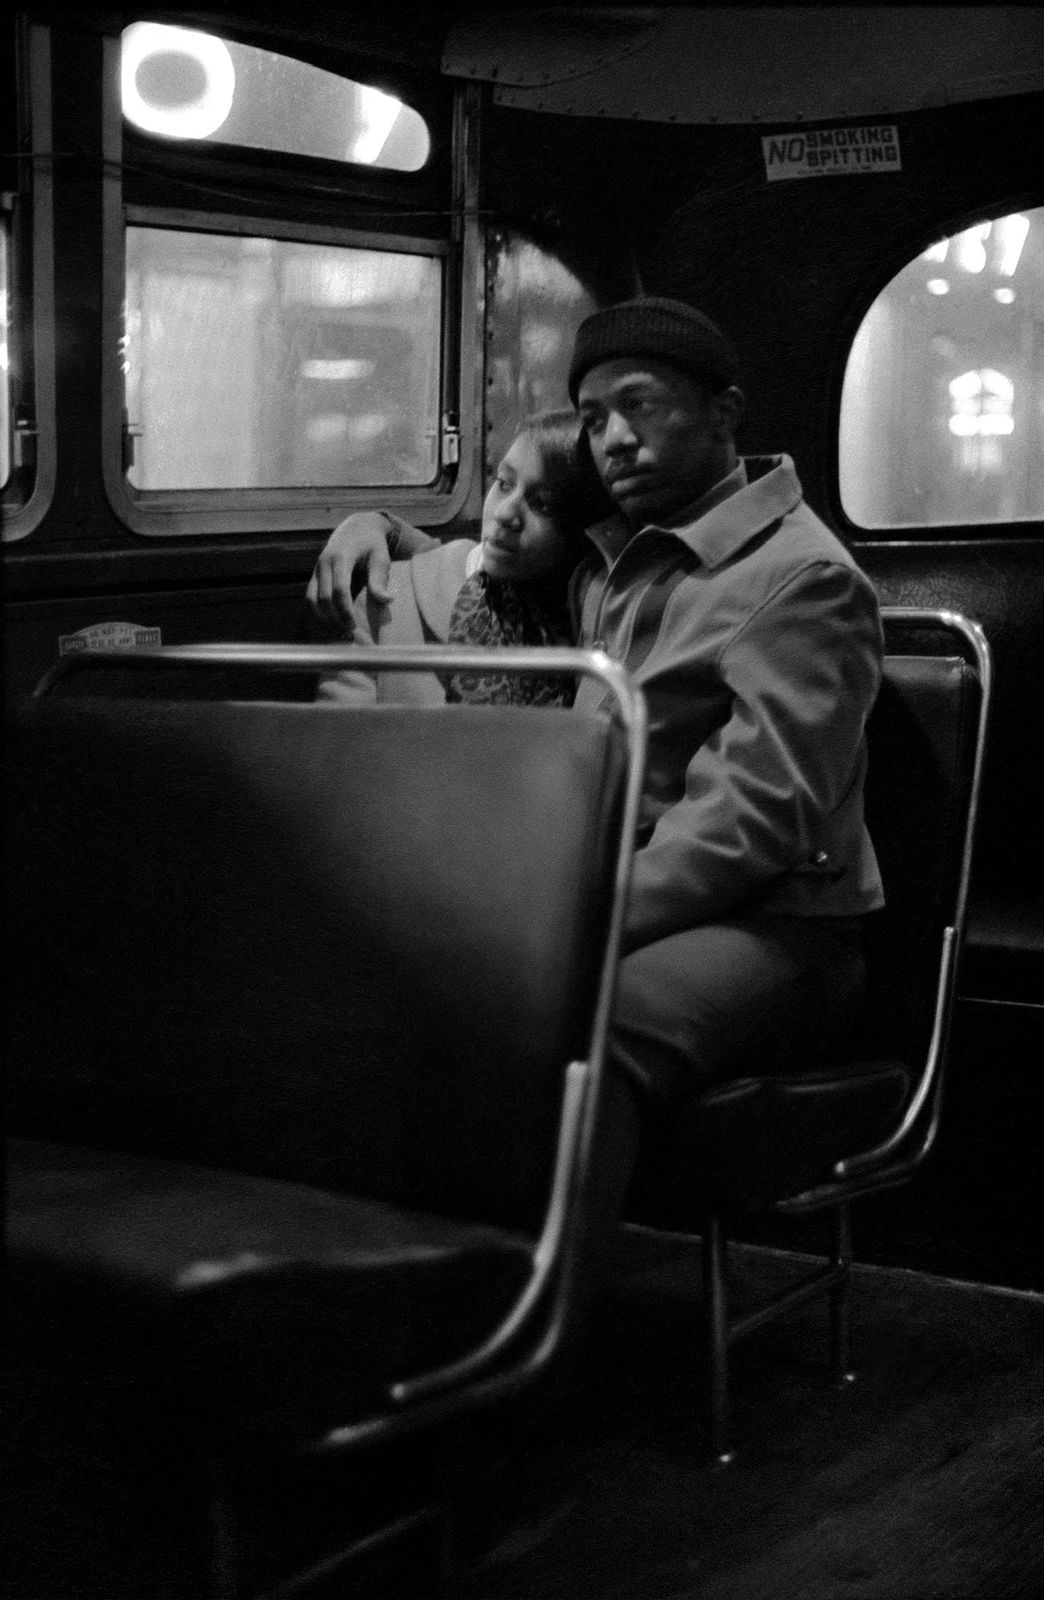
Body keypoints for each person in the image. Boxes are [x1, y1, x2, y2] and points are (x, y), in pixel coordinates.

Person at [307, 296, 885, 1222]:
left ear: (725, 414)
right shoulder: (621, 556)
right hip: (617, 891)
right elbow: (486, 557)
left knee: (585, 1021)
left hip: (779, 932)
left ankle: (541, 1330)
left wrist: (561, 917)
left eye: (643, 406)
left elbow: (752, 823)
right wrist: (376, 522)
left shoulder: (801, 579)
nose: (615, 438)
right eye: (594, 416)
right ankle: (412, 1274)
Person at [311, 409, 610, 708]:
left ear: (582, 529)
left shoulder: (602, 621)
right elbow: (337, 742)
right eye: (504, 484)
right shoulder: (389, 599)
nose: (505, 514)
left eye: (542, 504)